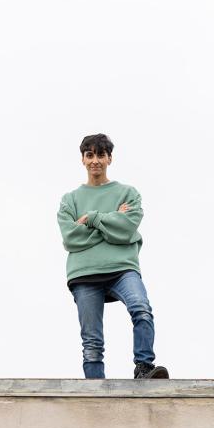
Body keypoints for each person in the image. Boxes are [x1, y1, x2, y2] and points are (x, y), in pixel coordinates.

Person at [57, 133, 169, 379]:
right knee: (92, 343)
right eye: (90, 155)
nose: (95, 160)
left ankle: (144, 367)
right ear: (83, 160)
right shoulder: (70, 200)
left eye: (100, 155)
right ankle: (96, 393)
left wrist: (92, 219)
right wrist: (111, 223)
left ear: (110, 158)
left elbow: (127, 228)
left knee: (141, 308)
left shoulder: (128, 194)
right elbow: (70, 238)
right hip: (84, 274)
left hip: (122, 268)